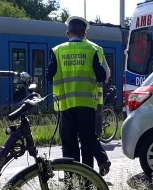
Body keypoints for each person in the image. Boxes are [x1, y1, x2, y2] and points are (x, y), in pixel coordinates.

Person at [47, 16, 111, 176]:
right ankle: (89, 178)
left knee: (69, 142)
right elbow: (102, 76)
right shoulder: (92, 50)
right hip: (87, 103)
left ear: (67, 33)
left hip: (66, 103)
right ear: (84, 34)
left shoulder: (57, 51)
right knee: (87, 138)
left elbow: (49, 74)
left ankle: (70, 179)